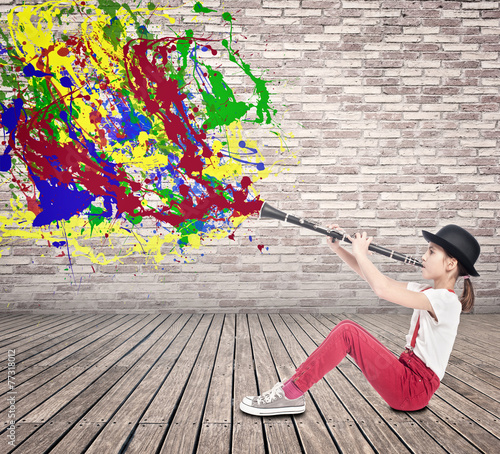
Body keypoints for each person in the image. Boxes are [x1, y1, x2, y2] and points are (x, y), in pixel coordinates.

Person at [240, 224, 480, 416]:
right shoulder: (427, 292)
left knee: (347, 331)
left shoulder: (447, 302)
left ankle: (290, 393)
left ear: (451, 264)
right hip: (407, 376)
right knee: (348, 329)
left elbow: (382, 290)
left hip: (413, 388)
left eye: (431, 251)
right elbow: (375, 279)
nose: (423, 255)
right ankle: (291, 391)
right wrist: (340, 249)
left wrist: (362, 253)